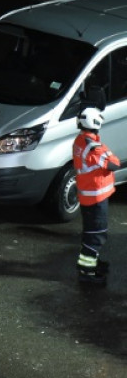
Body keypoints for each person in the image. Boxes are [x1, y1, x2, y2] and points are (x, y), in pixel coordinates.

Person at [73, 107, 121, 285]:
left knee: (91, 233)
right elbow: (112, 164)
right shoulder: (93, 148)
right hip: (96, 198)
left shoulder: (80, 141)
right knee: (96, 235)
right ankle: (87, 272)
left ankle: (90, 263)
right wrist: (113, 158)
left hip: (89, 196)